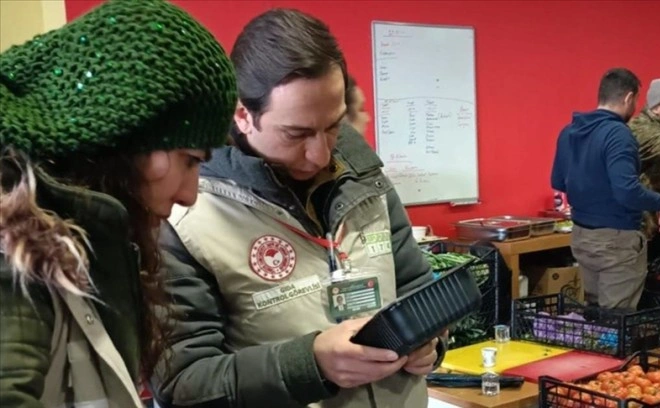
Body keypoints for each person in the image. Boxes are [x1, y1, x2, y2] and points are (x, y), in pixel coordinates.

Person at [150, 8, 442, 408]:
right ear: (243, 115)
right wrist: (311, 364)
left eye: (333, 126)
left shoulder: (365, 178)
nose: (320, 154)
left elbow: (416, 290)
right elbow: (184, 384)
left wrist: (430, 342)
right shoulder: (183, 215)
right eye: (296, 134)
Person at [0, 1, 237, 407]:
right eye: (190, 160)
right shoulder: (13, 262)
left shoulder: (80, 247)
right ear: (130, 140)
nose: (190, 194)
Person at [550, 68, 660, 310]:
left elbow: (558, 181)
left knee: (594, 312)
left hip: (582, 236)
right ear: (629, 97)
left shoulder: (569, 132)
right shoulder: (619, 134)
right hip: (616, 240)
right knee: (617, 318)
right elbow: (627, 191)